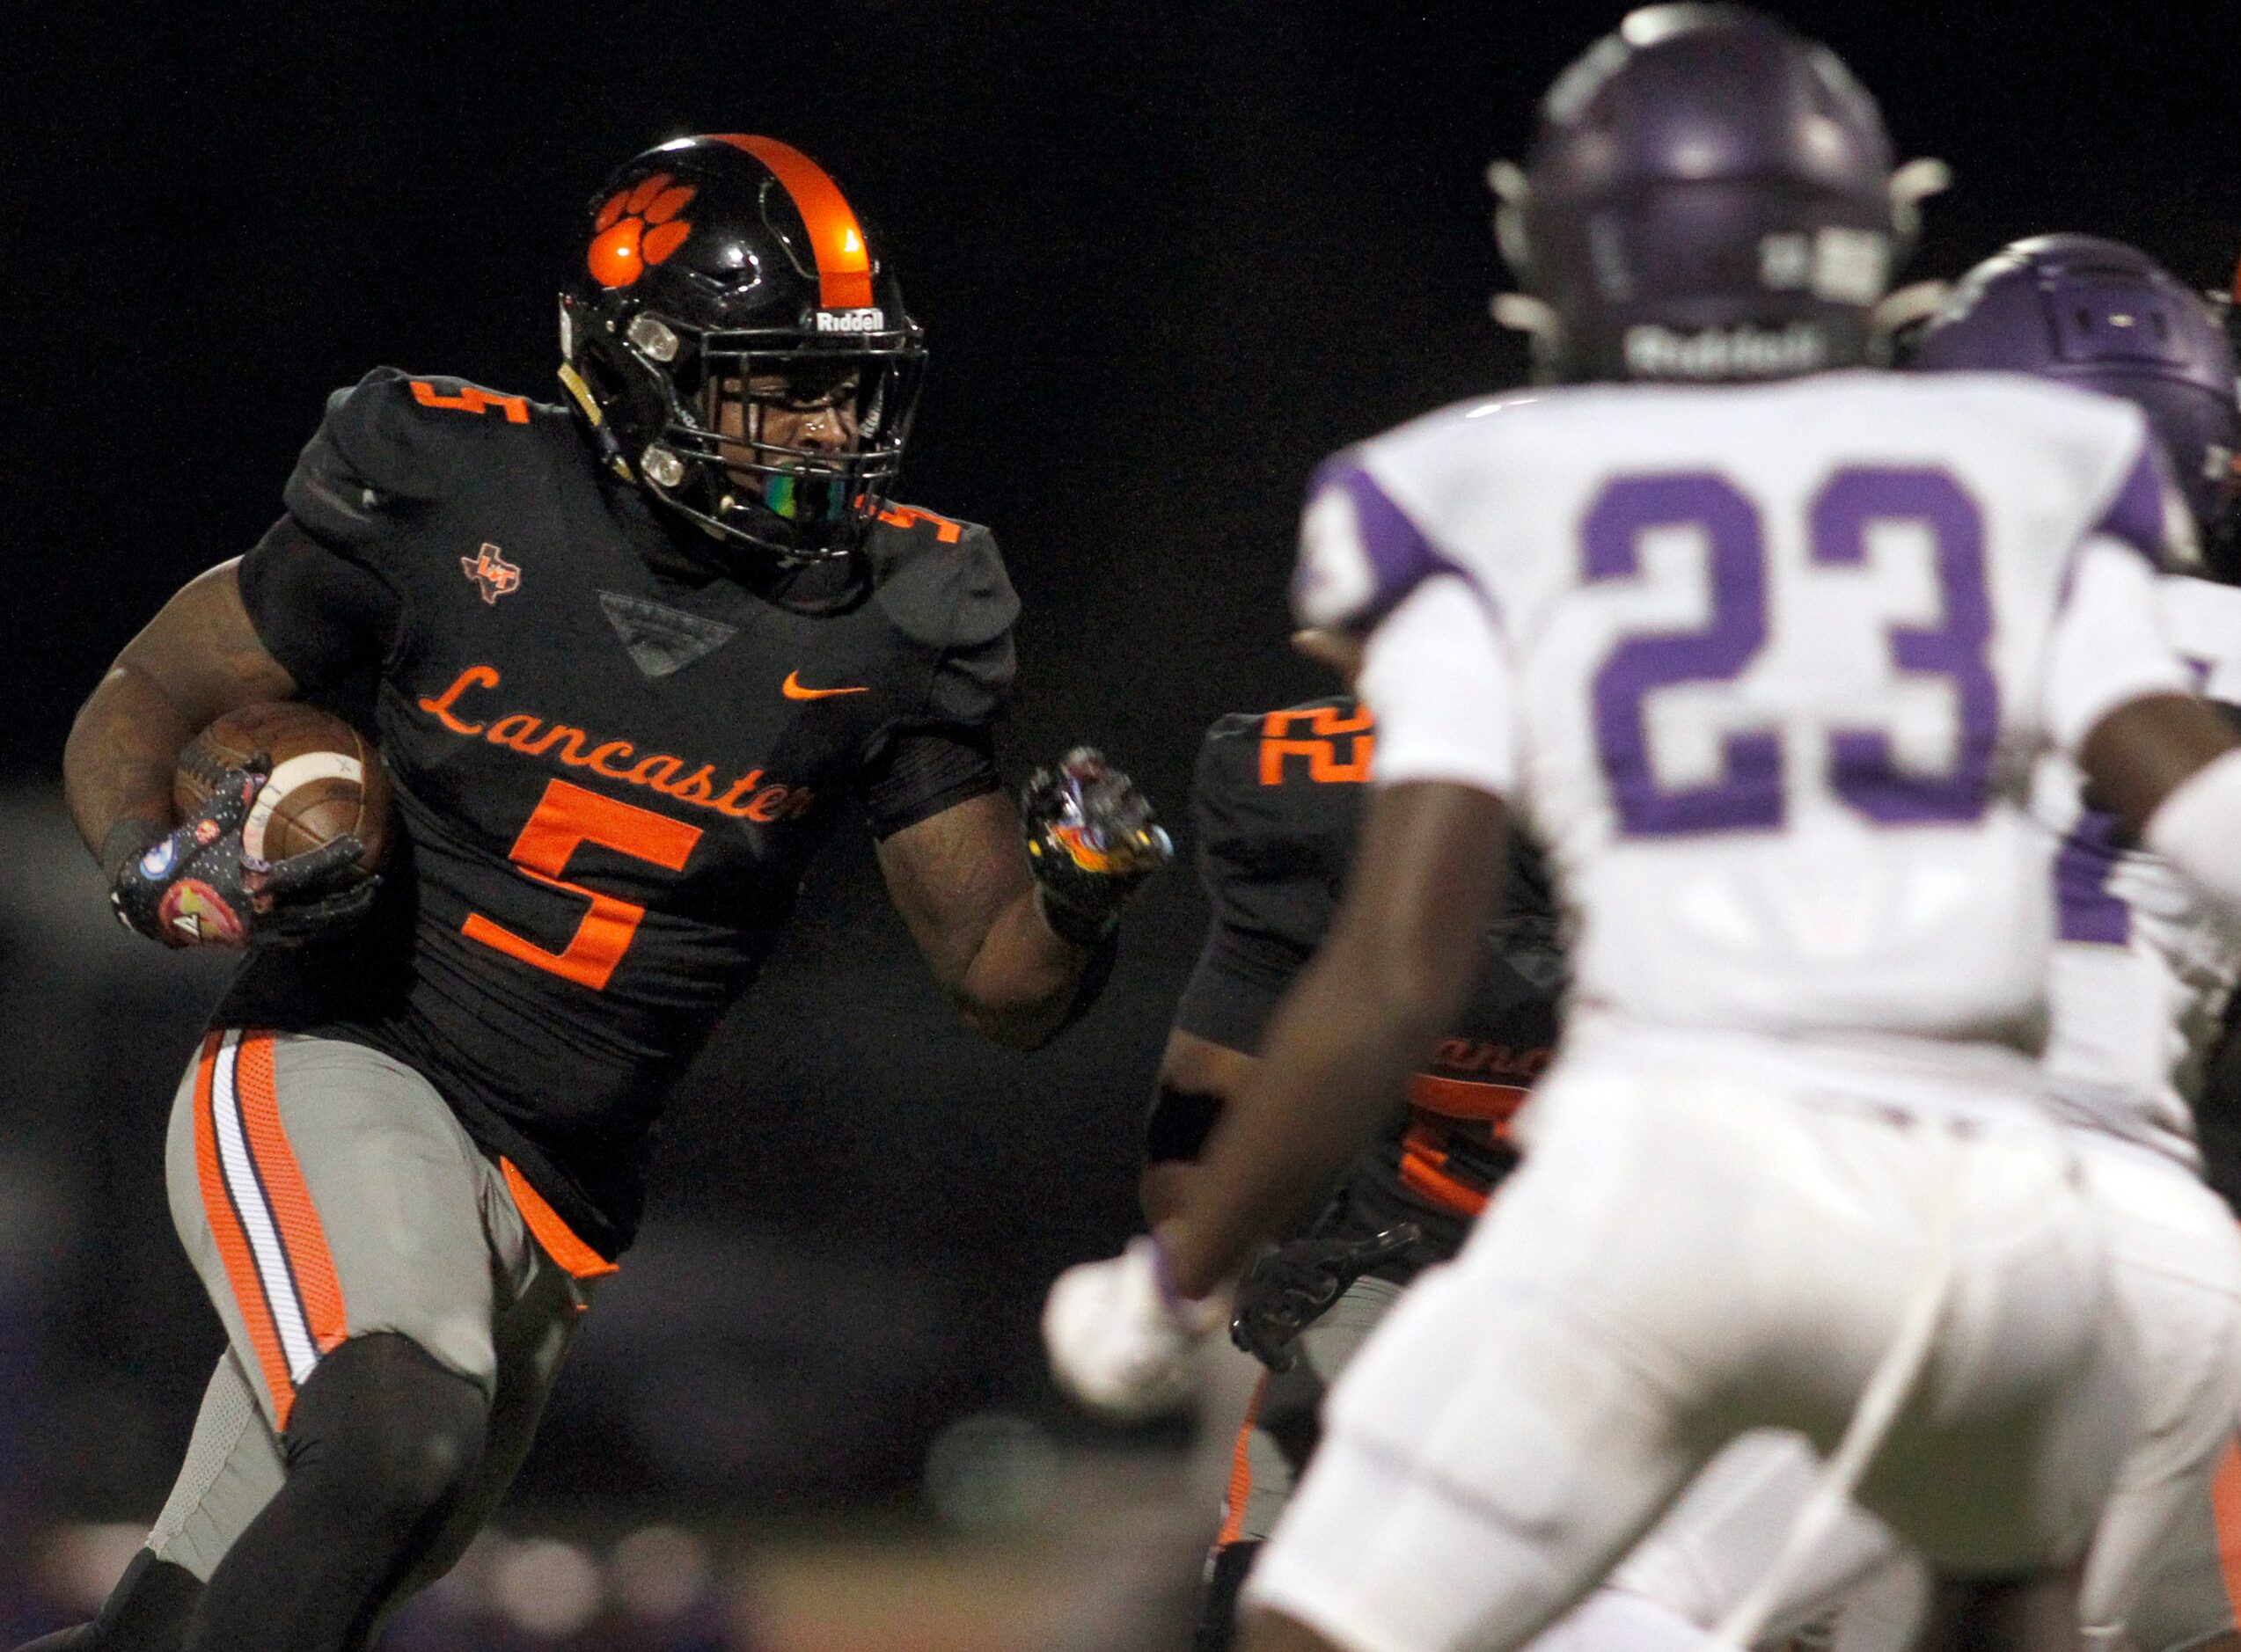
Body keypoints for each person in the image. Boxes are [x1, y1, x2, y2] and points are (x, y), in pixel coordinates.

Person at [1044, 10, 2241, 1651]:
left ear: (1574, 256)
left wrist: (1163, 1290)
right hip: (2006, 1214)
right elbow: (2207, 811)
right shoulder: (2020, 478)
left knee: (1344, 1620)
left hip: (1685, 1165)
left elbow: (1394, 974)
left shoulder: (1480, 505)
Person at [40, 132, 1169, 1652]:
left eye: (848, 388)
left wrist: (1081, 897)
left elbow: (997, 975)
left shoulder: (902, 609)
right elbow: (149, 690)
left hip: (556, 1199)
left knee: (208, 1610)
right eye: (776, 387)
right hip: (346, 1062)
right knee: (393, 1443)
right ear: (632, 369)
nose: (828, 430)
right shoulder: (448, 481)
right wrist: (151, 875)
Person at [1145, 643, 1564, 1650]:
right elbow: (1204, 1099)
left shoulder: (1785, 808)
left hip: (1687, 1268)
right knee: (1278, 1602)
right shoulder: (1313, 799)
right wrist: (1192, 1258)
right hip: (1409, 1249)